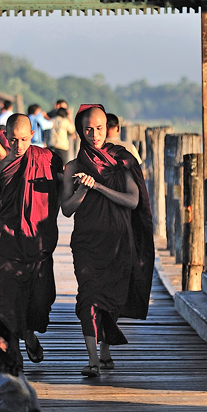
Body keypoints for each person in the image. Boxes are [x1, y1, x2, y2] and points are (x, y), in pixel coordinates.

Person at [61, 104, 154, 377]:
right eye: (88, 129)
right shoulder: (73, 167)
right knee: (88, 298)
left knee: (111, 299)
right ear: (80, 130)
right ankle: (92, 361)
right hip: (87, 244)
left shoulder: (121, 161)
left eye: (99, 128)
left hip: (118, 241)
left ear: (107, 128)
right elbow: (67, 209)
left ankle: (105, 350)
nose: (94, 134)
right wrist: (82, 189)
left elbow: (133, 200)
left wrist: (98, 186)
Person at [0, 114, 64, 364]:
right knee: (9, 301)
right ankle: (15, 354)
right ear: (5, 136)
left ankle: (29, 336)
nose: (18, 146)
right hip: (8, 243)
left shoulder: (47, 160)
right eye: (12, 140)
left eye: (23, 139)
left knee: (38, 301)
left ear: (32, 135)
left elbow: (61, 190)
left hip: (38, 243)